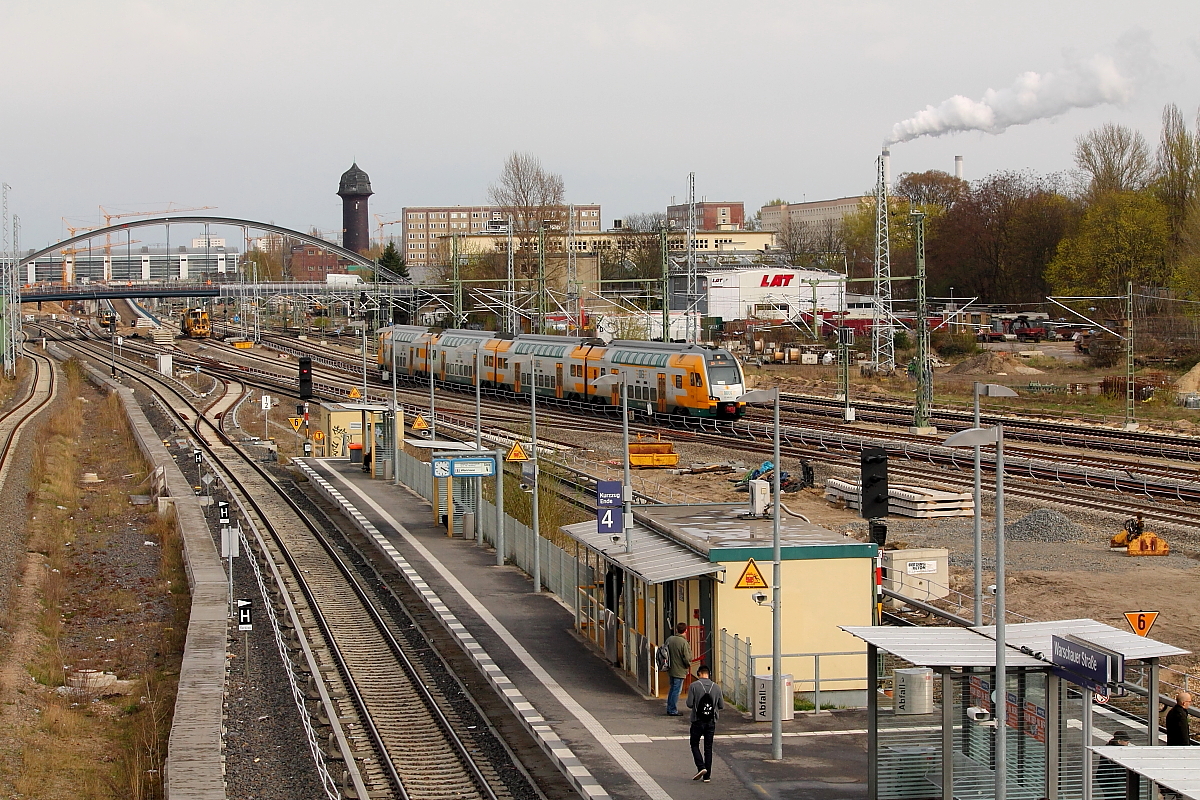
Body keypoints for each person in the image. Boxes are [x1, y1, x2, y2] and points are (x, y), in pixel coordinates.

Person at [685, 664, 724, 782]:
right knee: (708, 747)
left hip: (697, 720)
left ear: (699, 674)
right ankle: (707, 776)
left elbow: (689, 704)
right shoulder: (716, 687)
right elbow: (721, 705)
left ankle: (701, 767)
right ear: (708, 674)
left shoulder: (694, 686)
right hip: (711, 721)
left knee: (694, 744)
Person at [665, 622, 692, 716]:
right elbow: (686, 658)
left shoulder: (669, 639)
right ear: (686, 631)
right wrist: (688, 665)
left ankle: (669, 707)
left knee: (672, 689)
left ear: (676, 630)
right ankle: (672, 709)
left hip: (670, 668)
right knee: (677, 690)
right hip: (680, 670)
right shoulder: (684, 643)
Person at [1096, 729, 1131, 800]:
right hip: (1115, 783)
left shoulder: (1110, 749)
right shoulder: (1115, 752)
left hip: (1113, 783)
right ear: (1119, 741)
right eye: (1125, 740)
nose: (1128, 742)